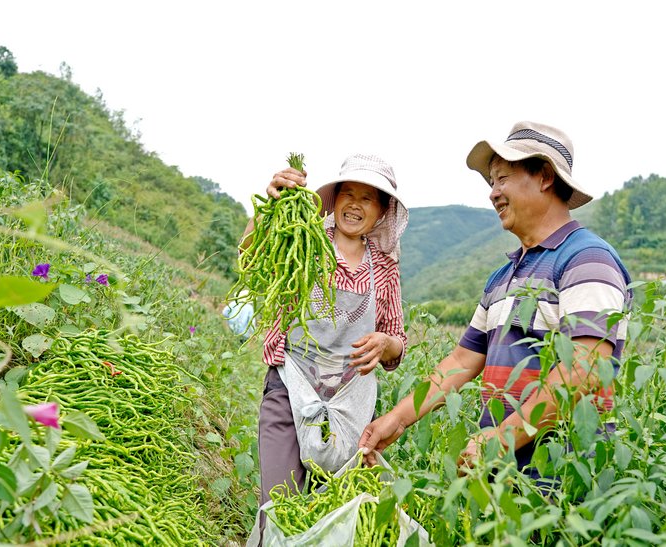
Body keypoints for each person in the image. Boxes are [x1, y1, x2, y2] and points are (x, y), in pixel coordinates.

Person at [358, 121, 633, 479]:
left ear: (545, 176)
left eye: (502, 179)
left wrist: (503, 438)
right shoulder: (503, 278)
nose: (493, 193)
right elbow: (461, 360)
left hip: (565, 479)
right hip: (504, 479)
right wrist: (395, 420)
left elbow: (586, 368)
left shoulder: (586, 259)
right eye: (492, 183)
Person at [242, 154, 409, 512]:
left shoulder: (384, 266)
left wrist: (385, 343)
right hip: (290, 389)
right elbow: (251, 255)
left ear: (381, 211)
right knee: (278, 505)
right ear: (334, 200)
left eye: (367, 198)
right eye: (348, 193)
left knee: (326, 512)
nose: (355, 205)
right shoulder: (306, 238)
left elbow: (398, 342)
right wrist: (272, 205)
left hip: (348, 408)